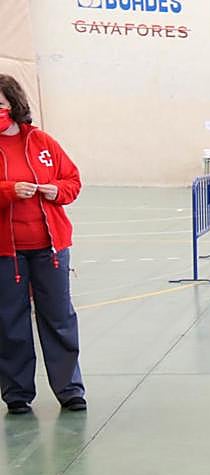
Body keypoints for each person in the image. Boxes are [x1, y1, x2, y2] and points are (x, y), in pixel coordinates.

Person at [0, 74, 85, 415]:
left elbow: (73, 180)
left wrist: (56, 191)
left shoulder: (43, 143)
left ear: (14, 105)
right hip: (7, 254)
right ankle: (17, 393)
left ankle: (70, 390)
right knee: (10, 322)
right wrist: (7, 190)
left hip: (50, 250)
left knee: (59, 318)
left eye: (0, 105)